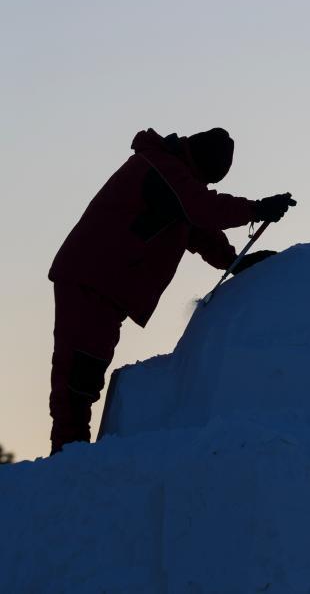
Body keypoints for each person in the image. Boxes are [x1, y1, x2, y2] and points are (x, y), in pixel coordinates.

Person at [47, 127, 296, 454]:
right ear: (201, 162)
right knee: (78, 376)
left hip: (107, 286)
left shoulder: (178, 182)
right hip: (91, 278)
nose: (205, 186)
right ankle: (66, 456)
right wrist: (256, 209)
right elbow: (202, 209)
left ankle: (70, 454)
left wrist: (234, 262)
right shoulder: (160, 168)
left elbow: (200, 229)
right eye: (207, 179)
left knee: (86, 373)